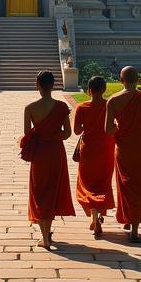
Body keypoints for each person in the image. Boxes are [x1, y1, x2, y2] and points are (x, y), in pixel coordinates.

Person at [21, 70, 75, 249]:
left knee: (39, 192)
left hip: (39, 153)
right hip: (55, 152)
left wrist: (43, 135)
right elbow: (67, 133)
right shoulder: (61, 107)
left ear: (37, 85)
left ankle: (44, 237)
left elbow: (27, 135)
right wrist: (53, 135)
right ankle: (47, 234)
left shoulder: (30, 108)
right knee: (52, 191)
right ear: (53, 85)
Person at [106, 66, 141, 243]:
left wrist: (122, 129)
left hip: (123, 147)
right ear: (138, 80)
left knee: (125, 185)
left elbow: (108, 129)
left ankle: (129, 219)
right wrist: (140, 129)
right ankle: (134, 228)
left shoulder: (113, 100)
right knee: (140, 186)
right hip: (140, 147)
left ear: (121, 80)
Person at [74, 76, 116, 238]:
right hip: (106, 149)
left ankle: (94, 217)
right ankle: (98, 216)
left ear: (88, 90)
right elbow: (115, 126)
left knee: (88, 185)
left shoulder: (82, 107)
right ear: (104, 89)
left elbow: (77, 131)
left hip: (88, 151)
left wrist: (88, 125)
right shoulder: (109, 106)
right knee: (102, 183)